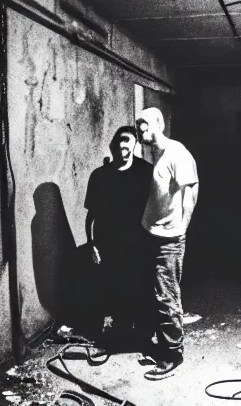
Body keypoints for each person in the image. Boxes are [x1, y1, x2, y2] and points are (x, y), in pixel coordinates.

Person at [135, 107, 199, 380]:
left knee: (167, 296)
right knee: (155, 293)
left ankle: (172, 354)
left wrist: (180, 228)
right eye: (138, 125)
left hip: (169, 239)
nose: (140, 129)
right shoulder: (157, 153)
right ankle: (162, 344)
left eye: (145, 124)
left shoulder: (177, 153)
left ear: (159, 124)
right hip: (152, 234)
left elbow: (191, 190)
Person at [83, 126, 154, 350]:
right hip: (110, 244)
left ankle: (143, 337)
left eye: (128, 141)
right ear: (113, 145)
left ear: (135, 145)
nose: (123, 145)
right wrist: (92, 245)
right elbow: (91, 216)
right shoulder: (99, 176)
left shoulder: (146, 172)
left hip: (140, 243)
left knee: (141, 288)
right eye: (120, 141)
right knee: (117, 289)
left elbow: (157, 207)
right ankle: (122, 332)